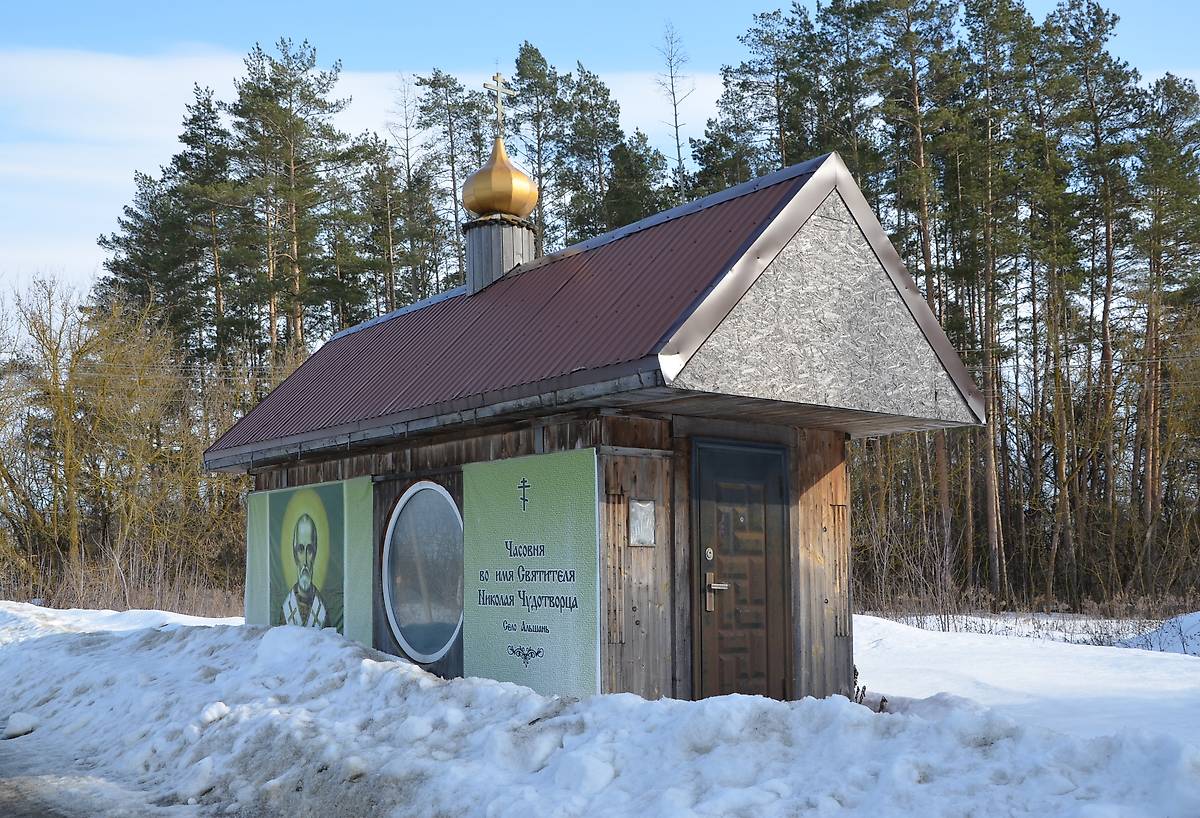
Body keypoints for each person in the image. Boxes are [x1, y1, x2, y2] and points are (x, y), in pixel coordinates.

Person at [282, 513, 328, 627]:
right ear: (294, 554)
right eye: (300, 549)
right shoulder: (285, 608)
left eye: (310, 550)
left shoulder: (323, 608)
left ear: (316, 553)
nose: (306, 561)